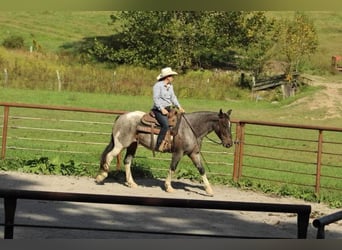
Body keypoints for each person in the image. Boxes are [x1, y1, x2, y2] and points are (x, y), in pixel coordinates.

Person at [152, 67, 185, 152]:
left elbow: (173, 97)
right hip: (158, 110)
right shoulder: (157, 86)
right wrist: (161, 109)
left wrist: (179, 107)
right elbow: (156, 99)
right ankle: (158, 144)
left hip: (169, 109)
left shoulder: (170, 86)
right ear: (167, 77)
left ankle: (176, 142)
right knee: (165, 125)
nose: (173, 78)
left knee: (179, 121)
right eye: (172, 76)